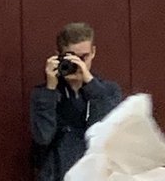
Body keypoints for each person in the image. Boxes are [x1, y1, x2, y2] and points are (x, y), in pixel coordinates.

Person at [30, 21, 123, 181]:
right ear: (59, 55)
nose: (78, 63)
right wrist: (50, 90)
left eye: (83, 57)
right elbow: (43, 137)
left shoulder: (107, 91)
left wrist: (90, 83)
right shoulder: (43, 94)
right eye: (71, 57)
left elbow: (107, 134)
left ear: (93, 52)